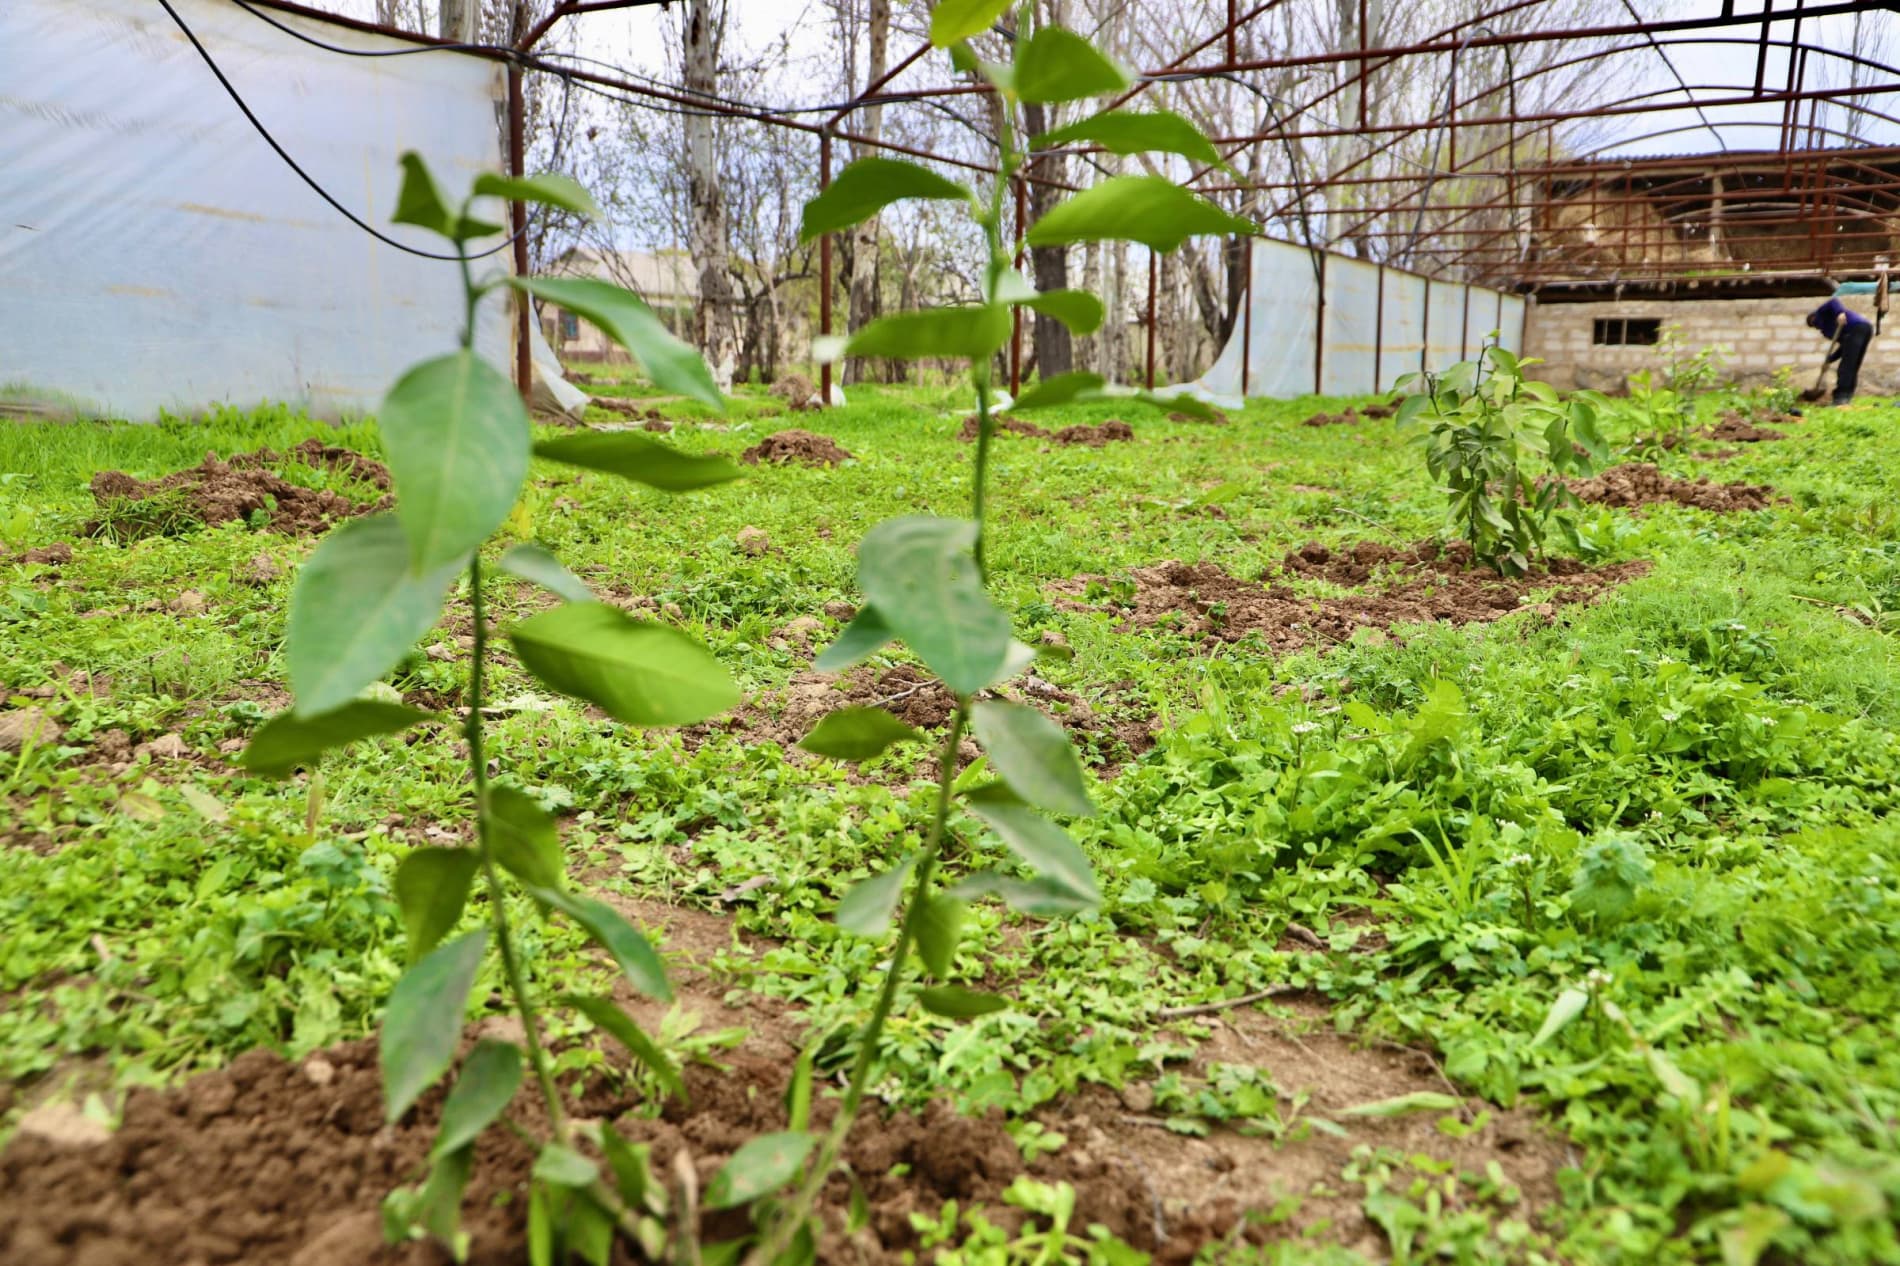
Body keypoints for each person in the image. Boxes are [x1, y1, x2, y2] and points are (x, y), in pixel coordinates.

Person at [1805, 295, 1874, 405]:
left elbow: (1833, 301)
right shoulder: (1828, 331)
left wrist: (1840, 313)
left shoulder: (1822, 313)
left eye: (1813, 321)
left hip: (1857, 327)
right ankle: (1846, 396)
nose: (1815, 323)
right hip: (1863, 330)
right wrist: (1830, 359)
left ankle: (1841, 396)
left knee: (1846, 367)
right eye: (1812, 324)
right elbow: (1844, 347)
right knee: (1851, 365)